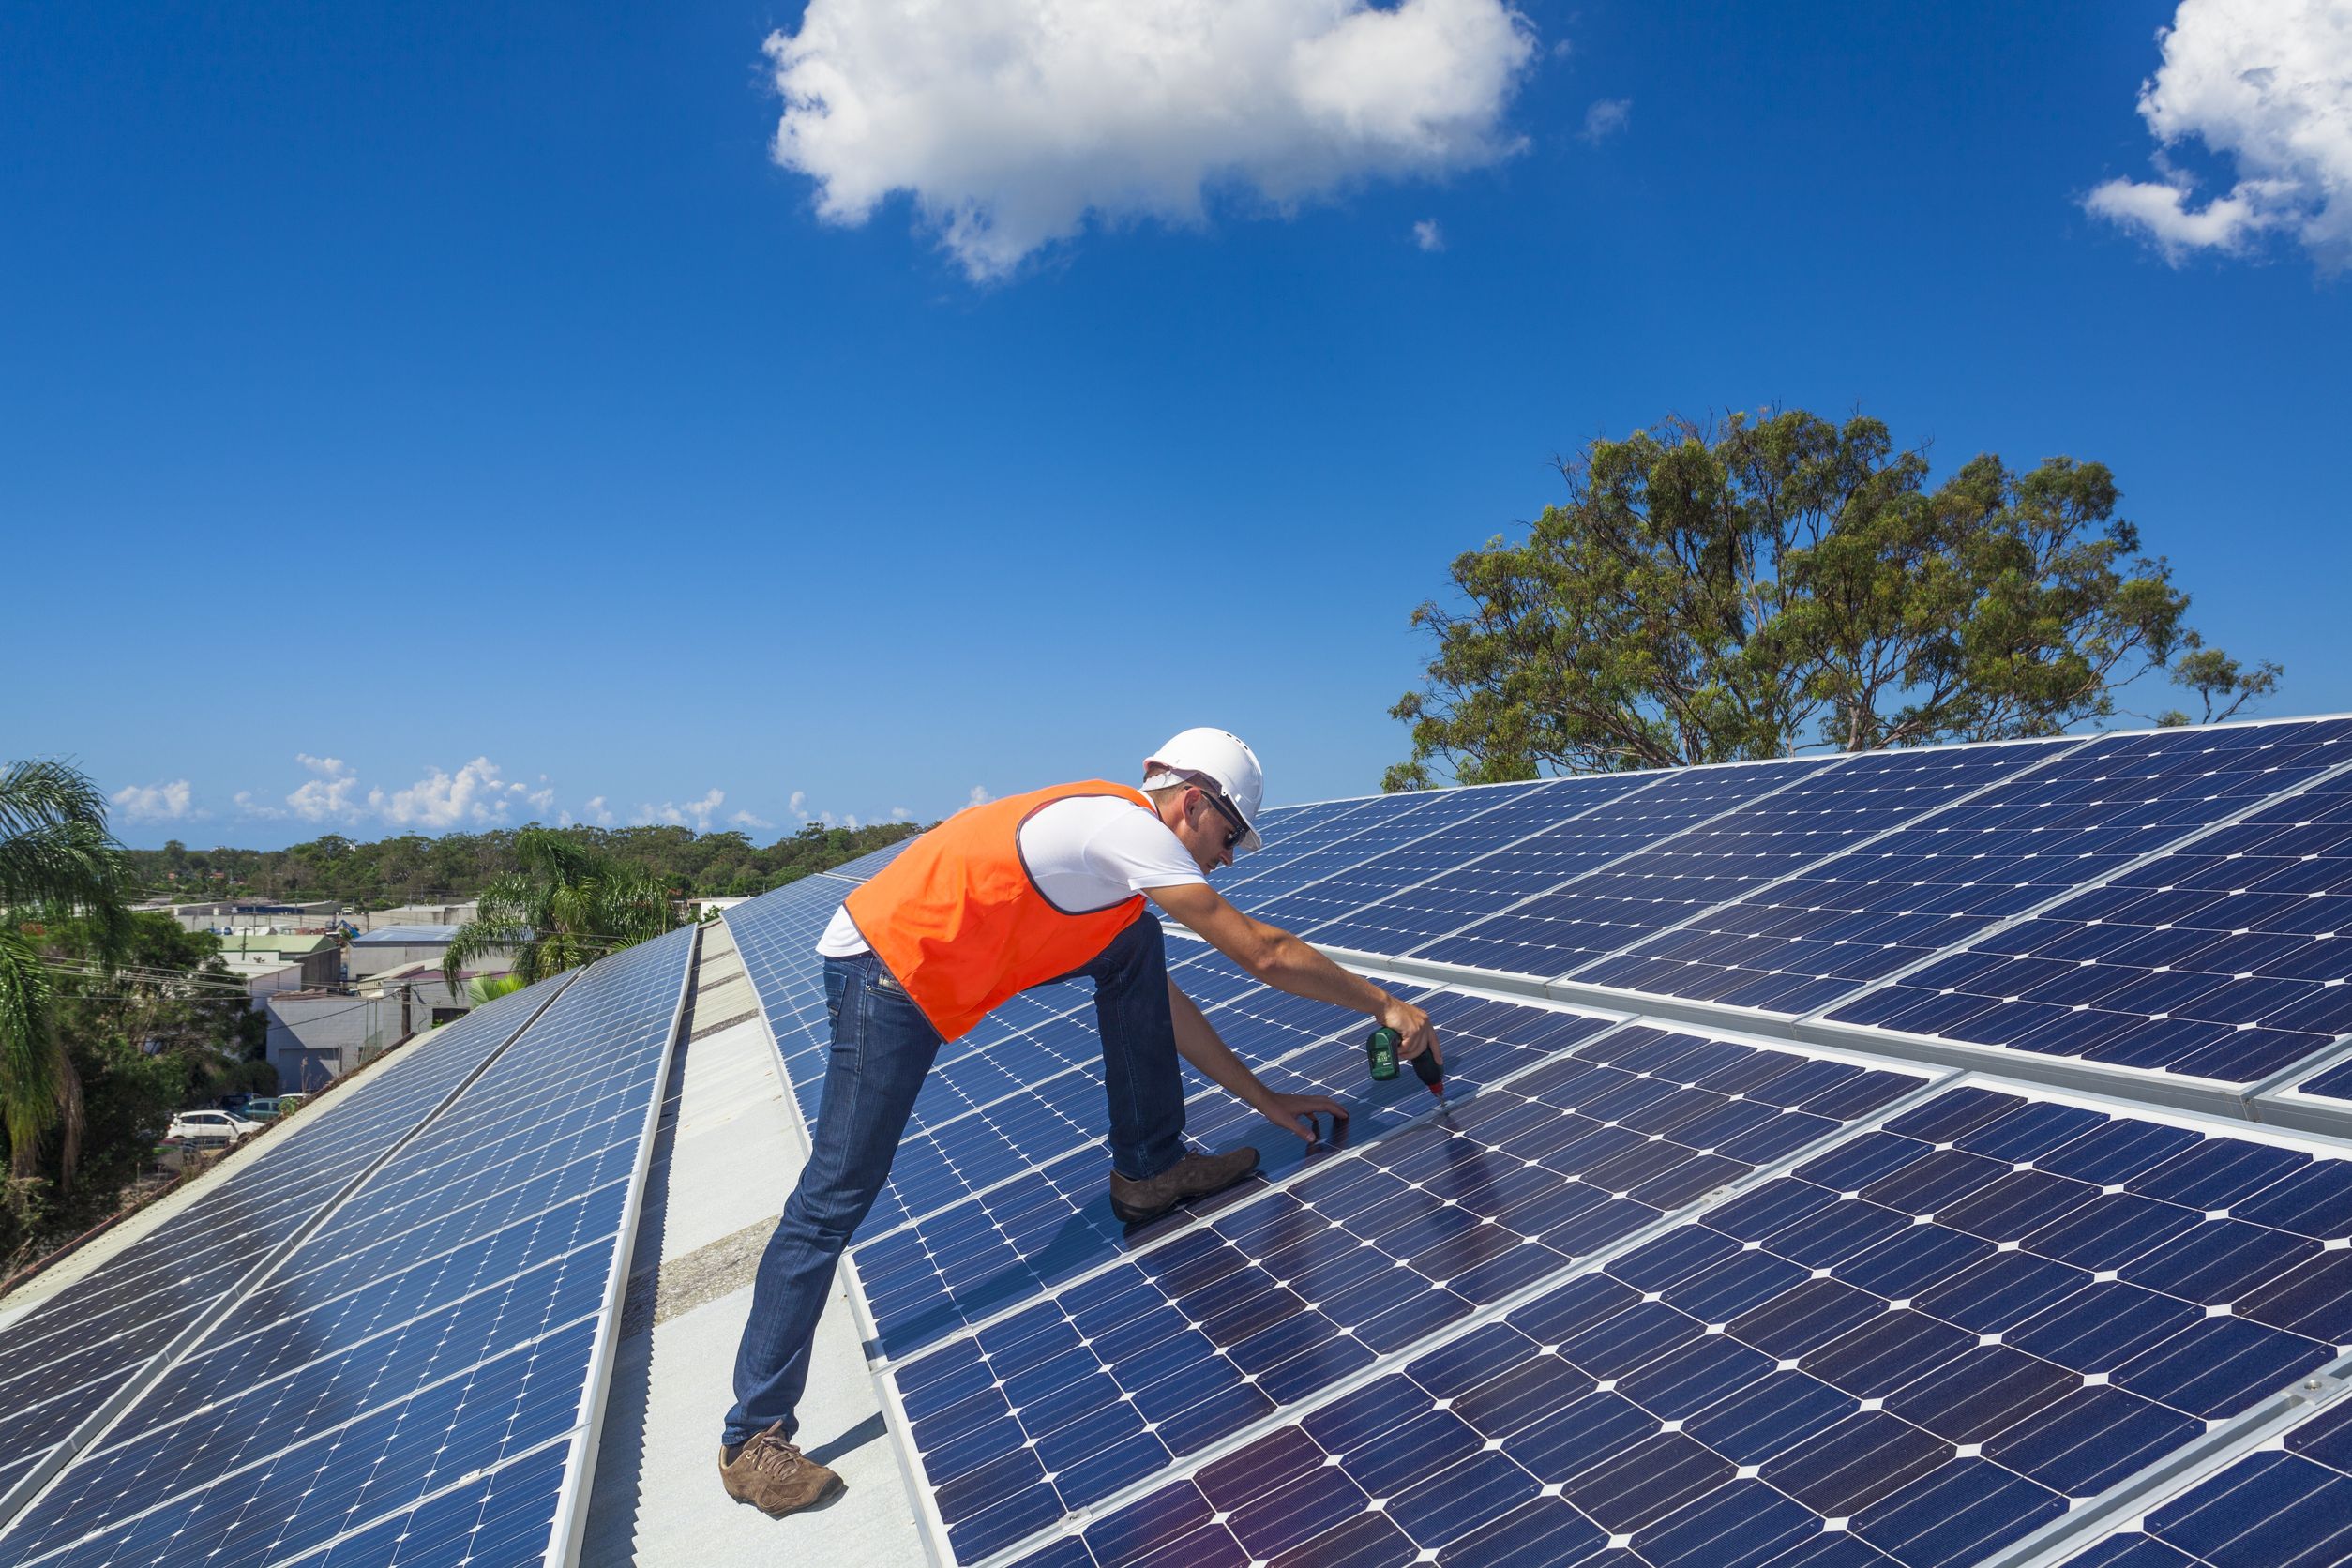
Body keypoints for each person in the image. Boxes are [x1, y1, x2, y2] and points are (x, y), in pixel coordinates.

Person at [717, 728, 1441, 1518]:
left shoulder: (1117, 882)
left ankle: (1150, 1168)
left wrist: (1265, 1099)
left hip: (943, 962)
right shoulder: (1124, 829)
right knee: (837, 1192)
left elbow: (1166, 1007)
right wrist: (1386, 1004)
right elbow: (1261, 952)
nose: (1228, 856)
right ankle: (751, 1437)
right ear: (1193, 802)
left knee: (1135, 949)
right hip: (887, 968)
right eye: (1229, 836)